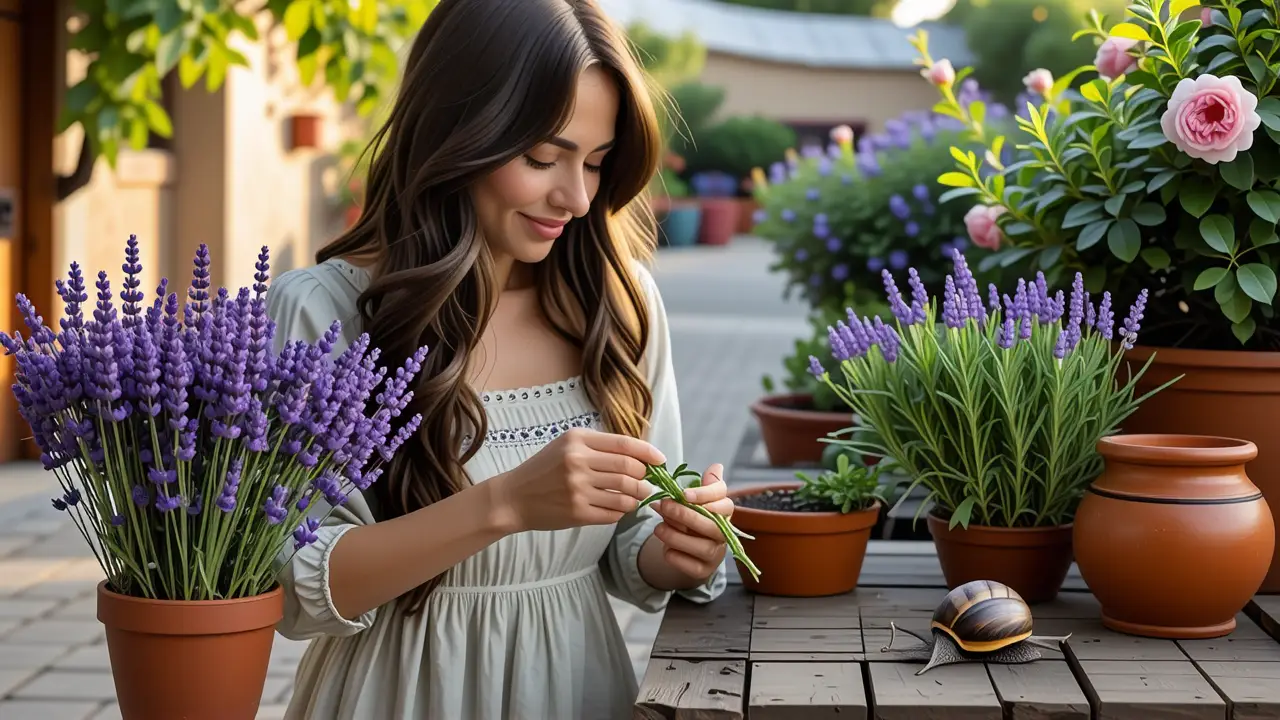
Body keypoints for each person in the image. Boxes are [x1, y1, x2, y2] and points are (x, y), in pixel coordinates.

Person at [263, 1, 733, 718]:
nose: (575, 197)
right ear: (456, 134)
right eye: (542, 158)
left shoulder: (618, 304)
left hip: (577, 690)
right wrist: (506, 504)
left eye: (598, 163)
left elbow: (633, 535)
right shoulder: (323, 313)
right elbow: (292, 584)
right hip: (390, 696)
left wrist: (676, 546)